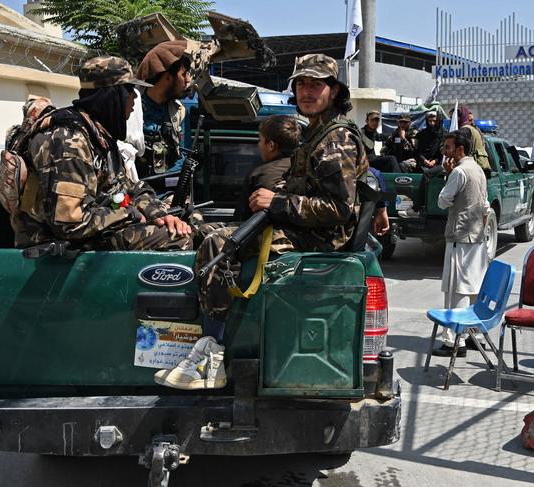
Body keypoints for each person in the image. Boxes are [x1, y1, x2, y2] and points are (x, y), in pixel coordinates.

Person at [153, 53, 369, 390]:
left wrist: (277, 202)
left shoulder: (335, 139)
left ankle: (214, 351)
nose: (307, 92)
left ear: (334, 90)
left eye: (316, 85)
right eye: (301, 84)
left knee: (218, 244)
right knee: (203, 229)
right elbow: (321, 182)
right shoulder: (318, 132)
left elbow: (337, 209)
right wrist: (276, 195)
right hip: (303, 226)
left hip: (321, 237)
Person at [11, 55, 193, 252]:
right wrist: (130, 214)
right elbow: (70, 223)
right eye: (129, 91)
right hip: (59, 246)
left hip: (91, 234)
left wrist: (158, 213)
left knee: (190, 224)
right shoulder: (68, 140)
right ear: (112, 95)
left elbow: (130, 189)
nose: (134, 99)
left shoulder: (100, 136)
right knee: (177, 239)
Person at [432, 130, 490, 357]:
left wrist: (448, 176)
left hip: (460, 239)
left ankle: (454, 342)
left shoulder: (459, 171)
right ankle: (473, 335)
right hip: (476, 238)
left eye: (447, 147)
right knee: (474, 289)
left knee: (457, 291)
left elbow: (443, 201)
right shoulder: (478, 170)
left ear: (460, 150)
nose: (445, 152)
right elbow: (485, 206)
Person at [135, 41, 193, 177]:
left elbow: (183, 155)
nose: (188, 80)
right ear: (167, 77)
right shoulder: (132, 108)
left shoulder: (179, 111)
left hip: (168, 193)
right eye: (184, 74)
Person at [234, 115, 301, 221]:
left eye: (260, 140)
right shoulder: (306, 168)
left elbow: (241, 219)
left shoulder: (258, 174)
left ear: (271, 145)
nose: (258, 144)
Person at [399, 111, 447, 218]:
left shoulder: (444, 134)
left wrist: (434, 161)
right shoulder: (422, 134)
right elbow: (417, 151)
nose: (432, 123)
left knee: (427, 173)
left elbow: (444, 154)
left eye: (434, 121)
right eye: (429, 121)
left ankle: (416, 208)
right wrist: (424, 160)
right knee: (403, 166)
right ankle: (405, 202)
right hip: (422, 161)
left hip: (438, 163)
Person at [453, 105, 491, 172]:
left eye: (471, 120)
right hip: (478, 164)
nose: (472, 122)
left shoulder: (466, 129)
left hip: (476, 164)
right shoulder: (469, 129)